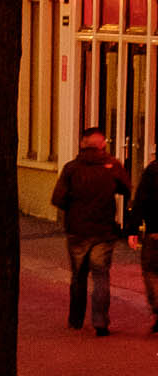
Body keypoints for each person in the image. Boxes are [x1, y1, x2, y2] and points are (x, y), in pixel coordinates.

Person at [51, 126, 132, 336]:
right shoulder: (112, 165)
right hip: (104, 230)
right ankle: (100, 322)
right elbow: (126, 188)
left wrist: (74, 206)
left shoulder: (71, 168)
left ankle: (76, 319)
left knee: (78, 275)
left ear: (82, 144)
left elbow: (57, 198)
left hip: (77, 230)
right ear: (103, 144)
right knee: (101, 275)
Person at [127, 152, 158, 332]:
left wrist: (133, 229)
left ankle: (157, 307)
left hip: (155, 233)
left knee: (151, 271)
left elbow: (140, 201)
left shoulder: (152, 171)